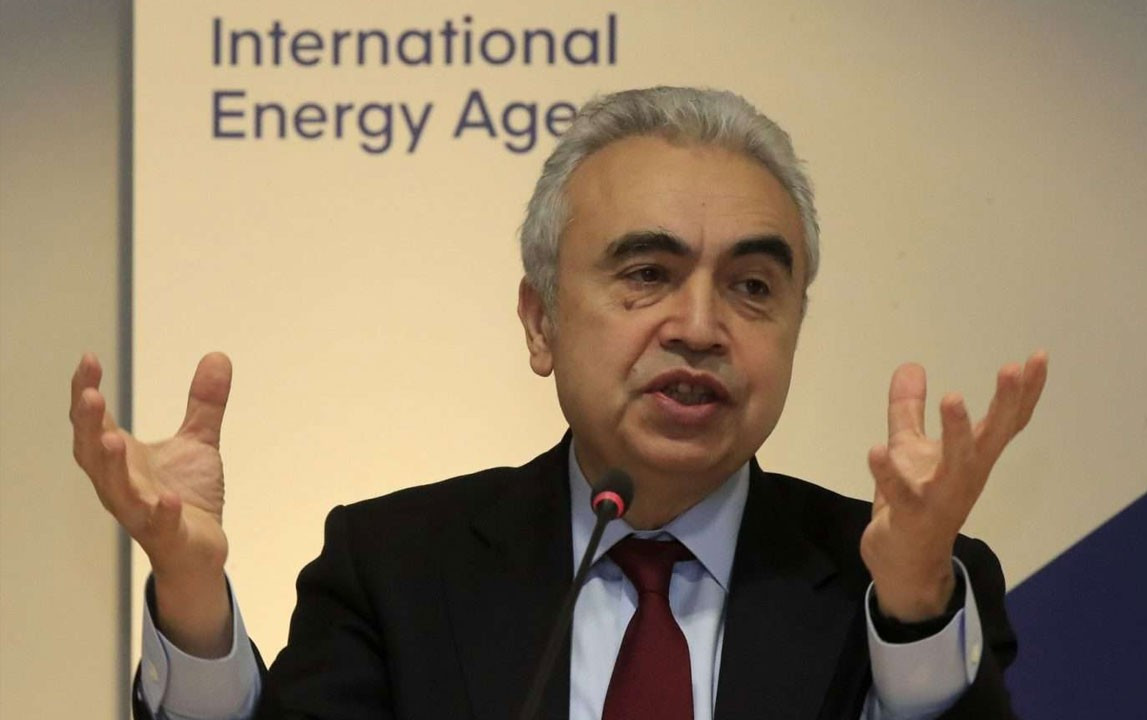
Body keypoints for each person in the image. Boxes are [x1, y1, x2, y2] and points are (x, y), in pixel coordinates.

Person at [70, 86, 1048, 720]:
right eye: (647, 274)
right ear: (539, 323)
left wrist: (912, 611)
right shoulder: (397, 568)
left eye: (752, 287)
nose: (699, 326)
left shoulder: (904, 587)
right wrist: (189, 596)